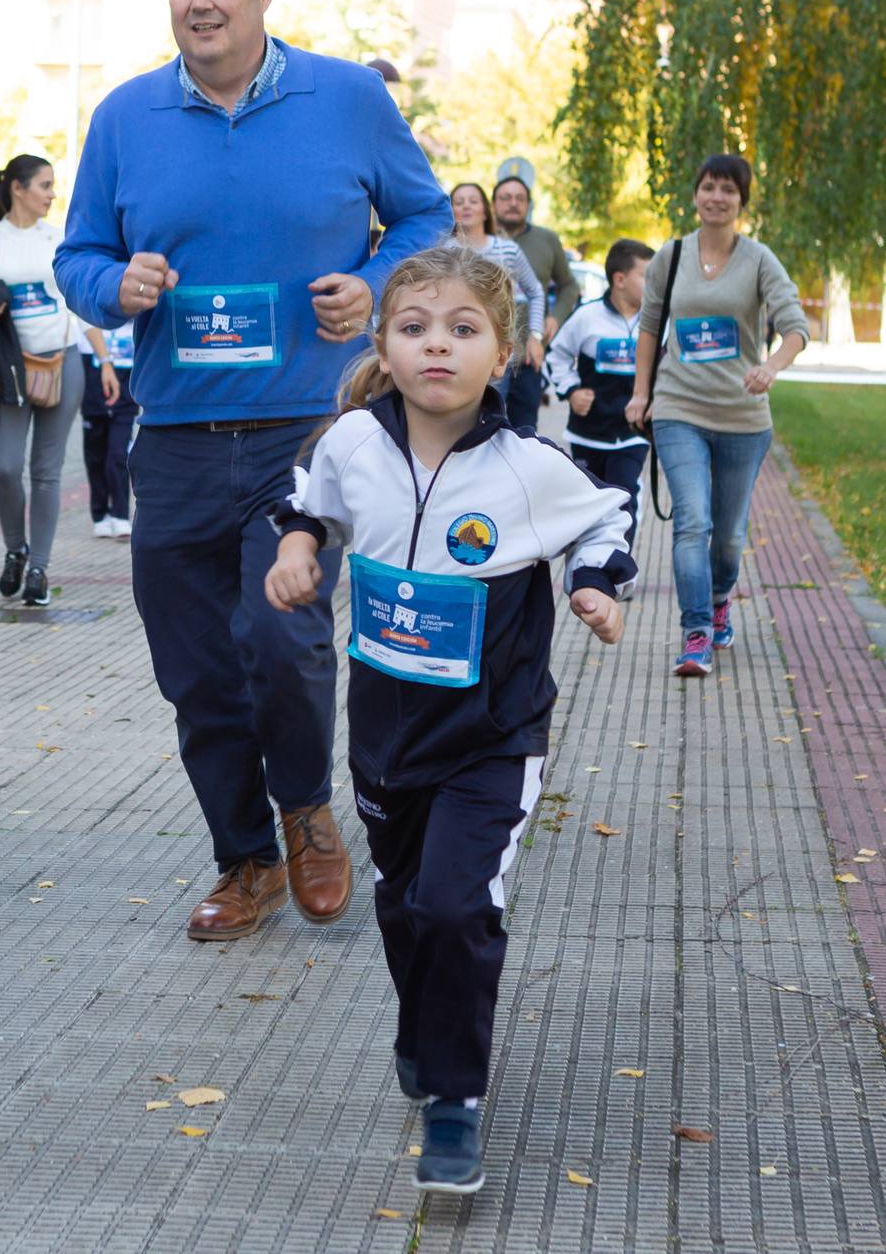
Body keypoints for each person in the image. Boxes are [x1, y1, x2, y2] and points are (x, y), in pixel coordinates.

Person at [55, 0, 453, 943]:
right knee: (194, 669)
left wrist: (370, 290)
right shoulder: (124, 117)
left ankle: (307, 814)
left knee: (282, 638)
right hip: (177, 436)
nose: (201, 0)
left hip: (304, 433)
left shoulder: (348, 100)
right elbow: (78, 258)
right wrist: (116, 282)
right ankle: (244, 859)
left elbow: (424, 219)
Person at [267, 246, 635, 1195]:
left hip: (493, 736)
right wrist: (301, 548)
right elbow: (308, 501)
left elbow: (604, 519)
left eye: (463, 329)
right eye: (415, 327)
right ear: (384, 347)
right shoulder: (353, 443)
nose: (439, 345)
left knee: (456, 906)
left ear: (506, 350)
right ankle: (423, 1022)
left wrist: (593, 585)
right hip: (386, 734)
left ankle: (455, 1102)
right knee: (401, 902)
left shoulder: (529, 468)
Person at [625, 153, 810, 677]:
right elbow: (648, 326)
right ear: (696, 195)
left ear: (741, 202)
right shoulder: (673, 254)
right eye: (708, 186)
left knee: (727, 535)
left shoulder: (758, 259)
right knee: (692, 523)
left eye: (728, 189)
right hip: (679, 407)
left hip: (743, 418)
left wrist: (771, 367)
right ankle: (696, 632)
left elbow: (795, 326)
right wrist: (643, 393)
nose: (717, 197)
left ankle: (721, 595)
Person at [0, 154, 119, 607]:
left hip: (62, 361)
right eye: (45, 185)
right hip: (8, 366)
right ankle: (16, 548)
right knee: (5, 467)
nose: (52, 194)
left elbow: (76, 304)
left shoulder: (59, 240)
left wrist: (103, 360)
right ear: (17, 188)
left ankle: (39, 569)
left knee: (47, 472)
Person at [548, 239, 654, 526]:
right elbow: (555, 356)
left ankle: (620, 568)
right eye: (647, 276)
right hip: (588, 433)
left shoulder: (657, 323)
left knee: (623, 500)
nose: (655, 283)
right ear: (619, 279)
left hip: (633, 434)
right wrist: (572, 391)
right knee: (589, 507)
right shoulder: (586, 317)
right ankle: (586, 567)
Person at [450, 182, 546, 425]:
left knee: (498, 417)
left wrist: (535, 336)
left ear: (485, 210)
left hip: (500, 348)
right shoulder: (443, 252)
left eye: (473, 201)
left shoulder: (507, 250)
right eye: (458, 202)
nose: (466, 207)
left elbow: (536, 292)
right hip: (459, 350)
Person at [492, 174, 578, 435]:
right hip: (487, 349)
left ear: (529, 205)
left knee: (524, 429)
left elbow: (569, 286)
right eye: (505, 198)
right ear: (493, 203)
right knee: (483, 423)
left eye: (520, 198)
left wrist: (555, 318)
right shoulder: (481, 238)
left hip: (529, 350)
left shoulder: (547, 240)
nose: (513, 204)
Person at [84, 320, 137, 537]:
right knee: (95, 456)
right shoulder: (92, 310)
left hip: (125, 394)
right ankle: (99, 514)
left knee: (118, 454)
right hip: (94, 391)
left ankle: (121, 514)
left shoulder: (138, 315)